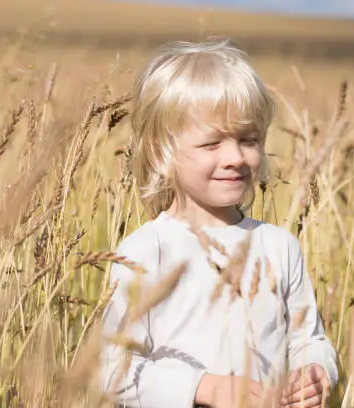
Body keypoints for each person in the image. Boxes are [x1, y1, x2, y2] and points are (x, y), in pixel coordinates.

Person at [99, 38, 338, 408]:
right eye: (212, 144)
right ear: (162, 151)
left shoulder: (278, 245)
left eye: (248, 140)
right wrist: (205, 388)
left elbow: (309, 339)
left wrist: (315, 371)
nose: (235, 157)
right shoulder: (147, 251)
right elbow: (113, 371)